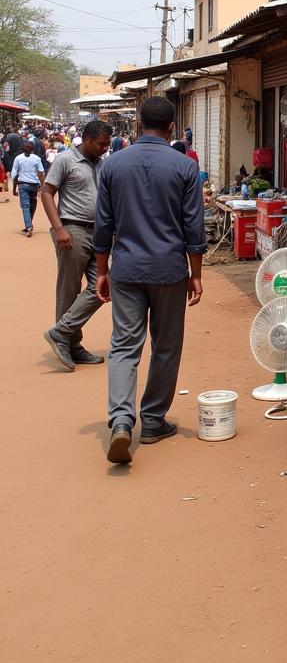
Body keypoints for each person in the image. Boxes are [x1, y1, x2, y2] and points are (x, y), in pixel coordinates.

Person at [94, 96, 206, 464]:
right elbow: (193, 226)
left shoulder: (112, 165)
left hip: (126, 269)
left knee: (124, 347)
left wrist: (102, 270)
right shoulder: (184, 166)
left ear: (139, 122)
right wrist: (197, 274)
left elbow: (103, 225)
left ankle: (122, 422)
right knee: (166, 346)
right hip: (169, 271)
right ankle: (154, 421)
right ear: (173, 126)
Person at [39, 120, 113, 371]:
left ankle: (62, 333)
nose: (105, 148)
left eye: (107, 144)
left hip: (99, 233)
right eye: (102, 144)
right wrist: (59, 228)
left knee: (101, 286)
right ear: (88, 140)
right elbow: (46, 192)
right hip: (72, 229)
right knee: (69, 290)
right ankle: (71, 344)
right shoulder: (65, 160)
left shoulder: (103, 164)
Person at [11, 138, 46, 236]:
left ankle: (29, 226)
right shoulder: (37, 158)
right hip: (34, 185)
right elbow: (41, 173)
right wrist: (42, 185)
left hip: (23, 185)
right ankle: (29, 225)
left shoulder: (18, 158)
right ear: (32, 149)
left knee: (25, 206)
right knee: (32, 205)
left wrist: (14, 189)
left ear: (23, 149)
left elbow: (14, 175)